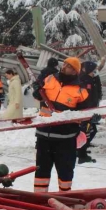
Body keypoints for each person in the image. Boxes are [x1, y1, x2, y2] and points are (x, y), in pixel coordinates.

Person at [32, 57, 92, 193]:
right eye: (64, 64)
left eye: (69, 66)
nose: (64, 67)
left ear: (75, 71)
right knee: (41, 172)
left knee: (65, 173)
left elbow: (84, 114)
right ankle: (39, 199)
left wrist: (89, 120)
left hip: (65, 138)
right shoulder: (50, 78)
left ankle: (65, 198)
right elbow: (39, 94)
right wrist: (36, 92)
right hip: (44, 135)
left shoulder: (80, 91)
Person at [78, 61, 101, 164]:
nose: (95, 72)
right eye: (93, 70)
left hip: (91, 110)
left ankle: (81, 150)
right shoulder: (83, 80)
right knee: (86, 132)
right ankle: (81, 153)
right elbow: (85, 98)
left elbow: (95, 94)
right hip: (86, 111)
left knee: (90, 131)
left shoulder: (92, 79)